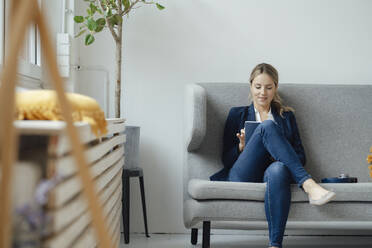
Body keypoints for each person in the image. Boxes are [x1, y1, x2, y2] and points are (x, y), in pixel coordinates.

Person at [209, 63, 336, 248]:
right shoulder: (236, 114)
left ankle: (275, 244)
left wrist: (280, 155)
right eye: (258, 87)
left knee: (279, 169)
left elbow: (301, 157)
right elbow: (226, 160)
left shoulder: (286, 116)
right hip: (243, 173)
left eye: (269, 87)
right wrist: (241, 148)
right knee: (267, 126)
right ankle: (308, 184)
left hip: (273, 172)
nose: (263, 92)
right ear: (251, 86)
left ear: (275, 88)